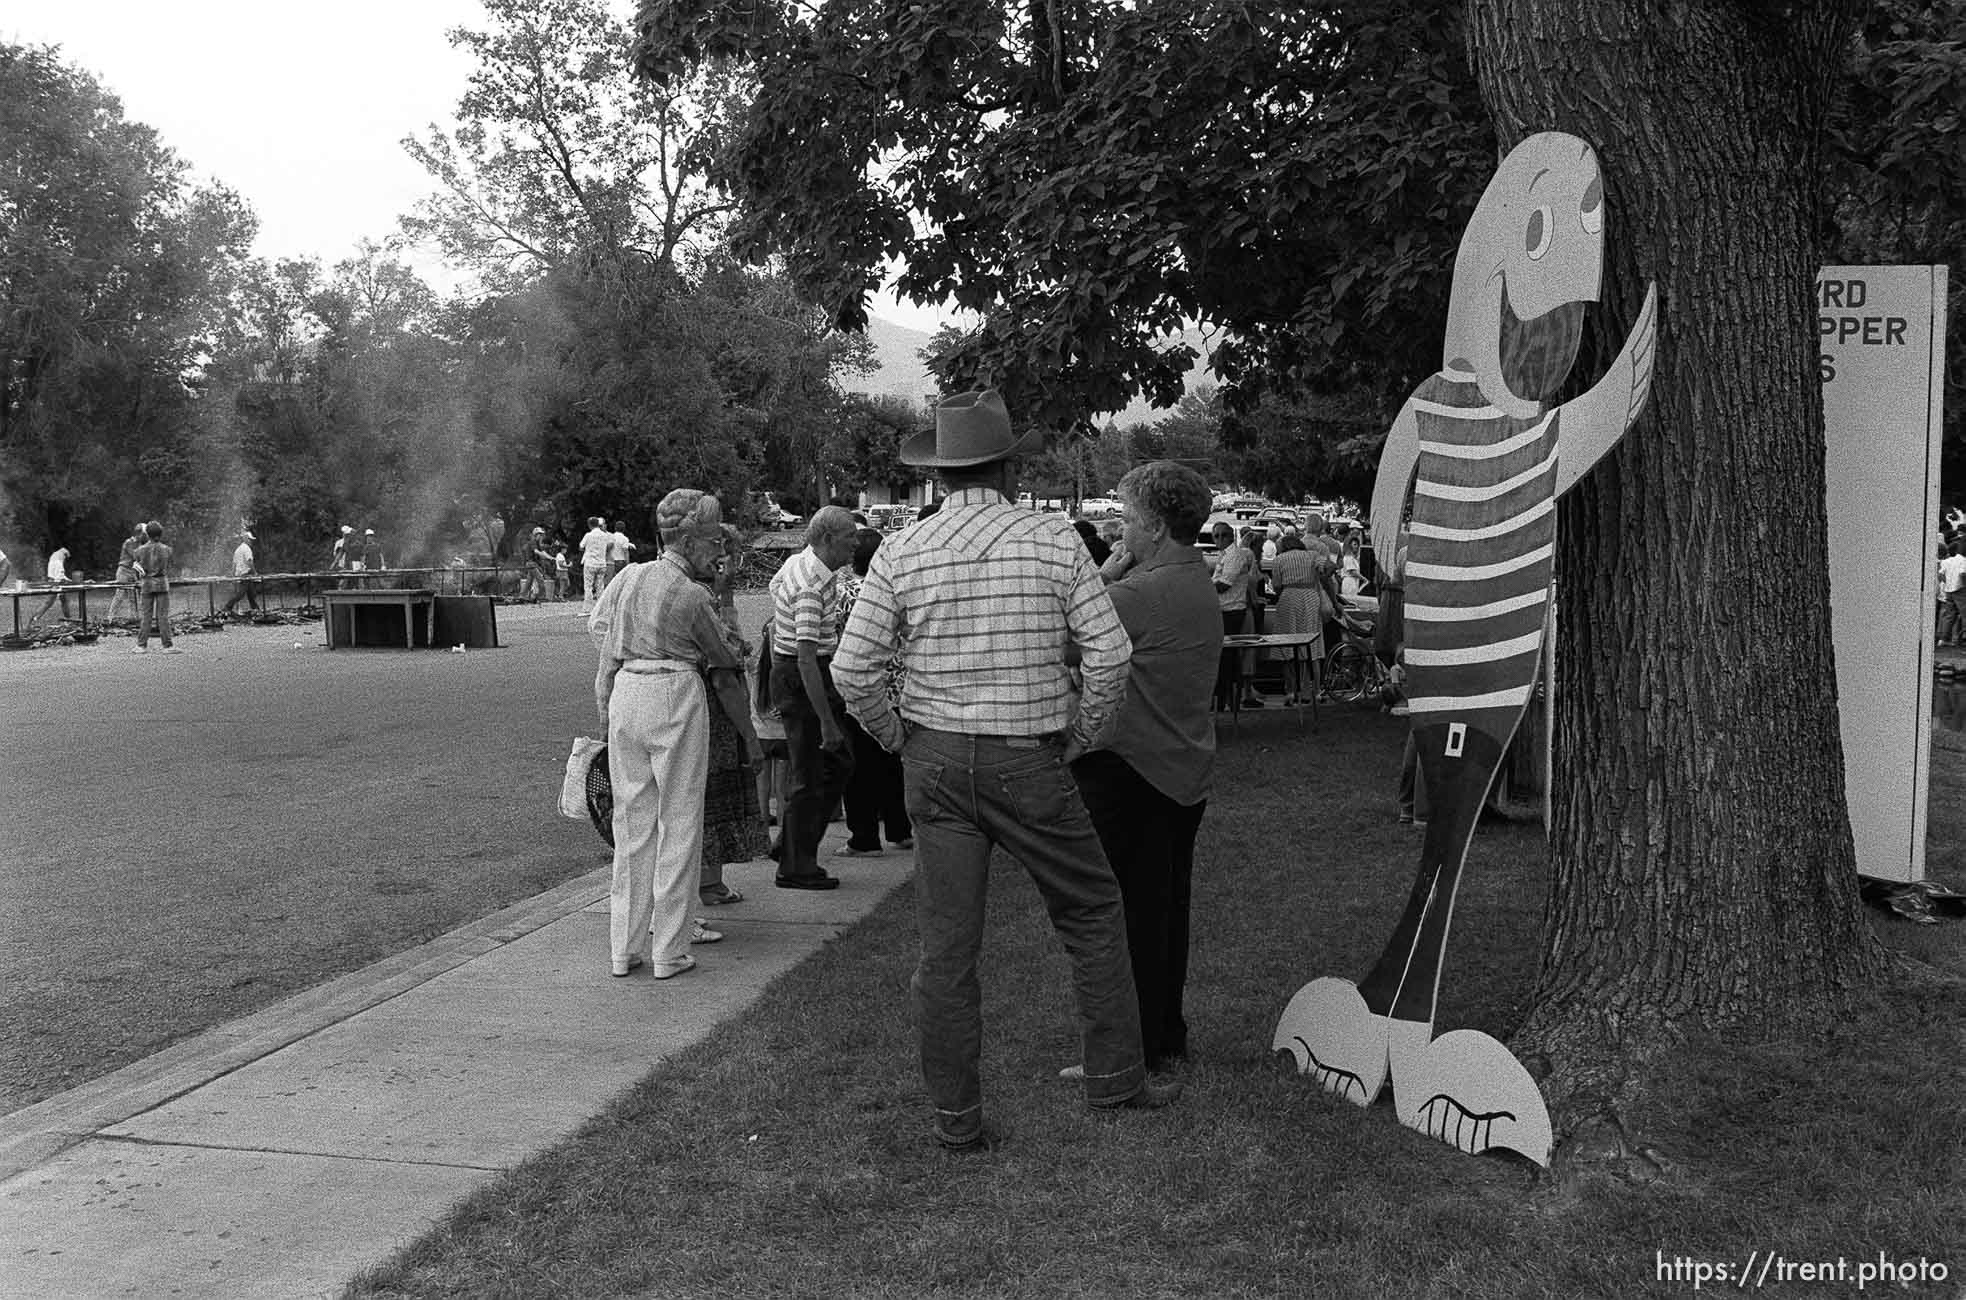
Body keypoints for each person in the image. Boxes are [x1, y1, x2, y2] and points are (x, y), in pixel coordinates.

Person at [833, 387, 1178, 1153]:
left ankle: (956, 1118)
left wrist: (898, 739)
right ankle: (1115, 1078)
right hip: (1030, 757)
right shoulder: (1054, 541)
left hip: (937, 760)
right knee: (1090, 910)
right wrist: (1083, 734)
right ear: (1008, 469)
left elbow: (853, 669)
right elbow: (1111, 655)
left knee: (947, 947)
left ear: (942, 476)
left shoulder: (901, 548)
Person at [1072, 461, 1221, 1071]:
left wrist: (1102, 575)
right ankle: (1163, 1035)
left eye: (1128, 519)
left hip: (1130, 771)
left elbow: (1062, 636)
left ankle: (1130, 1048)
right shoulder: (1194, 578)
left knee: (1122, 915)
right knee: (1163, 910)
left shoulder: (1141, 594)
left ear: (1156, 527)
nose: (1119, 530)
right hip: (1178, 770)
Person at [588, 489, 763, 979]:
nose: (718, 551)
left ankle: (624, 947)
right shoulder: (692, 595)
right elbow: (725, 658)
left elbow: (604, 644)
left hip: (627, 690)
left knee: (632, 826)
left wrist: (604, 712)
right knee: (680, 822)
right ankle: (669, 948)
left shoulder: (627, 577)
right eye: (711, 539)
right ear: (688, 539)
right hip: (674, 691)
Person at [767, 506, 859, 889]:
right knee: (816, 771)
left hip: (797, 671)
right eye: (849, 537)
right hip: (806, 675)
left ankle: (791, 844)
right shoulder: (811, 585)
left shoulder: (798, 566)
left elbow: (775, 598)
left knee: (830, 766)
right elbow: (806, 658)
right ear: (827, 539)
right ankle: (796, 865)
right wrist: (826, 721)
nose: (855, 543)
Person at [698, 524, 768, 906]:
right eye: (726, 552)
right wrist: (751, 735)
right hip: (713, 709)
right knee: (712, 793)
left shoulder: (711, 594)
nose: (731, 562)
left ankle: (710, 878)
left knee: (717, 791)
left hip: (717, 708)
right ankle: (706, 881)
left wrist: (726, 592)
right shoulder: (699, 598)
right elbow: (726, 659)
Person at [835, 528, 912, 858]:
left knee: (859, 767)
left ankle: (863, 836)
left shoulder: (847, 594)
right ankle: (900, 828)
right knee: (893, 762)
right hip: (897, 688)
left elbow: (839, 637)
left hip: (862, 689)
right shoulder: (894, 590)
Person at [1267, 534, 1327, 705]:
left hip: (1289, 598)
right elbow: (1327, 567)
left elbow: (1277, 585)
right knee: (1313, 646)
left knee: (1287, 645)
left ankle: (1291, 691)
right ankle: (1316, 690)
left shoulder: (1279, 559)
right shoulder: (1312, 555)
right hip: (1310, 596)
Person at [1210, 520, 1256, 710]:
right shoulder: (1223, 556)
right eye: (1216, 536)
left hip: (1232, 611)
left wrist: (1201, 589)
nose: (1220, 539)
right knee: (1223, 659)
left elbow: (1224, 584)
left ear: (1231, 536)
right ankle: (1224, 700)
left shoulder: (1235, 555)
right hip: (1223, 611)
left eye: (1224, 535)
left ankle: (1228, 701)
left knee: (1228, 659)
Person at [132, 521, 179, 654]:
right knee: (162, 616)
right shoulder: (167, 549)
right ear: (161, 534)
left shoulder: (139, 550)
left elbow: (137, 565)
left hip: (146, 584)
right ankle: (168, 646)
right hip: (162, 584)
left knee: (146, 616)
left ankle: (141, 646)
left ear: (147, 534)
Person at [106, 521, 147, 623]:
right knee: (119, 595)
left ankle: (134, 618)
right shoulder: (129, 542)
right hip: (123, 570)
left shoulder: (140, 544)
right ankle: (110, 618)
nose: (145, 536)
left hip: (132, 571)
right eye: (144, 534)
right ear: (139, 533)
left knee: (133, 597)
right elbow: (135, 557)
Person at [29, 546, 75, 624]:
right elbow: (60, 576)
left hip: (53, 573)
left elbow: (58, 575)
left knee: (61, 600)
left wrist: (69, 580)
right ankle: (34, 618)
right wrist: (71, 582)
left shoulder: (54, 557)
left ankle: (68, 620)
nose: (65, 560)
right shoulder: (60, 558)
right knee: (51, 601)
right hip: (56, 576)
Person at [222, 531, 261, 615]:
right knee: (240, 594)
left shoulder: (238, 549)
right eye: (250, 539)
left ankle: (256, 609)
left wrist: (233, 576)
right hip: (245, 574)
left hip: (239, 574)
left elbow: (234, 564)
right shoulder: (247, 549)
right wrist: (255, 573)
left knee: (251, 594)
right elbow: (249, 561)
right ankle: (227, 607)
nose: (251, 541)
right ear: (246, 539)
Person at [578, 517, 612, 612]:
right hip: (602, 563)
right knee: (600, 585)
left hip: (590, 563)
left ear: (589, 525)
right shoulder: (605, 535)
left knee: (588, 586)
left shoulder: (588, 535)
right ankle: (600, 608)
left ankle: (588, 608)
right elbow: (609, 546)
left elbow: (581, 547)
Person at [1941, 541, 1966, 646]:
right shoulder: (1963, 560)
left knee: (1949, 615)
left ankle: (1943, 639)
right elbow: (1963, 574)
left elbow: (1941, 575)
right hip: (1960, 589)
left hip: (1948, 590)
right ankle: (1964, 637)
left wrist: (1947, 583)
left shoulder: (1946, 561)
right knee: (1965, 614)